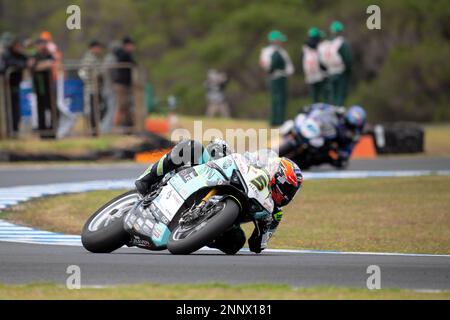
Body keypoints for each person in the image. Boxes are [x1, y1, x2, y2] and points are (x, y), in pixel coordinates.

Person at [134, 139, 303, 254]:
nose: (287, 195)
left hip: (219, 220)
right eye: (288, 188)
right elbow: (238, 156)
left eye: (291, 192)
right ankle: (148, 178)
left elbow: (256, 246)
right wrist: (222, 152)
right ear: (278, 176)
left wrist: (266, 226)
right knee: (192, 147)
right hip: (209, 176)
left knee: (236, 242)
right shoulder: (256, 164)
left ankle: (197, 233)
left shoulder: (274, 212)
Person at [259, 30, 294, 126]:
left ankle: (280, 120)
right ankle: (276, 120)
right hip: (274, 77)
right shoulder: (268, 51)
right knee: (276, 99)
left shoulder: (282, 51)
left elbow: (289, 67)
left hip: (282, 77)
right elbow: (265, 64)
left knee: (281, 99)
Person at [318, 21, 352, 106]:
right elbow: (348, 59)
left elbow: (321, 60)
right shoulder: (342, 43)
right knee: (340, 95)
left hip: (330, 72)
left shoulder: (326, 44)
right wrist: (348, 70)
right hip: (341, 72)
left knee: (331, 95)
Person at [0, 37, 29, 136]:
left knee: (15, 108)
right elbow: (7, 65)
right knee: (8, 108)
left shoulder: (19, 54)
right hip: (5, 86)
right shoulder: (6, 54)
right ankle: (9, 130)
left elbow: (26, 60)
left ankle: (14, 130)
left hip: (14, 85)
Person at [30, 38, 56, 139]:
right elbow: (33, 66)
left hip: (49, 85)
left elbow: (51, 63)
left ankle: (52, 131)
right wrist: (44, 65)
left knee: (52, 109)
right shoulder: (34, 55)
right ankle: (43, 132)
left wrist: (43, 65)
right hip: (40, 86)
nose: (43, 46)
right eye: (41, 44)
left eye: (44, 44)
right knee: (41, 110)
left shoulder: (48, 54)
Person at [79, 40, 104, 136]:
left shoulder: (94, 58)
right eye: (98, 48)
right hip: (90, 88)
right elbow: (83, 73)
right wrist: (92, 79)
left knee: (97, 109)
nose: (100, 50)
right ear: (93, 48)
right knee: (92, 110)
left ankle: (95, 130)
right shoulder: (88, 58)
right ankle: (93, 131)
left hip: (95, 88)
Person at [112, 36, 136, 128]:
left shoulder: (126, 55)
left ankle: (126, 126)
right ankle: (115, 127)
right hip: (121, 85)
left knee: (125, 107)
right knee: (120, 107)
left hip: (125, 85)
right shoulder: (122, 54)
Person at [301, 27, 327, 103]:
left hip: (309, 75)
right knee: (323, 95)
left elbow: (302, 60)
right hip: (321, 74)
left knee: (314, 97)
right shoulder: (320, 46)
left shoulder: (305, 47)